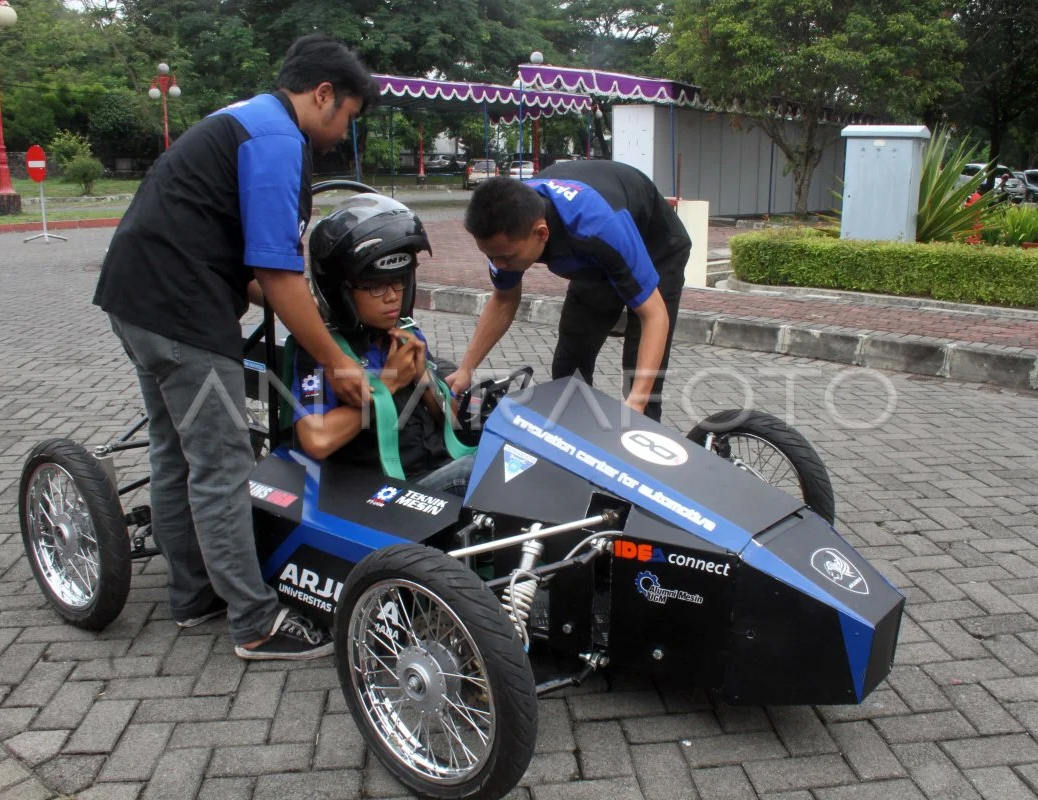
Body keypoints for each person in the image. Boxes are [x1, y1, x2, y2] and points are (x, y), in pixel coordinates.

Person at [92, 34, 380, 660]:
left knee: (175, 454)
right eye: (347, 119)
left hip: (133, 299)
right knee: (223, 467)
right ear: (323, 94)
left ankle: (192, 594)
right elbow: (276, 276)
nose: (342, 135)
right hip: (180, 315)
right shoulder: (279, 141)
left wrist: (301, 306)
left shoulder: (244, 120)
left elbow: (252, 264)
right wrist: (337, 359)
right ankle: (254, 622)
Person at [450, 160, 691, 422]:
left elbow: (655, 316)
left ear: (540, 233)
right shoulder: (511, 220)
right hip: (594, 263)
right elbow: (504, 299)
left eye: (505, 257)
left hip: (657, 247)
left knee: (641, 384)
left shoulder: (596, 227)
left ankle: (642, 450)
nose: (498, 265)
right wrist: (466, 368)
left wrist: (637, 400)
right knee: (567, 371)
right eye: (490, 255)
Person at [290, 195, 474, 493]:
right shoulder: (323, 352)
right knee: (477, 473)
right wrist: (388, 382)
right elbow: (316, 440)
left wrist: (422, 378)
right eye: (376, 286)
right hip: (391, 490)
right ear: (343, 293)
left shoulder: (405, 334)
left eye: (399, 281)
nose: (392, 296)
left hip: (440, 466)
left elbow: (452, 419)